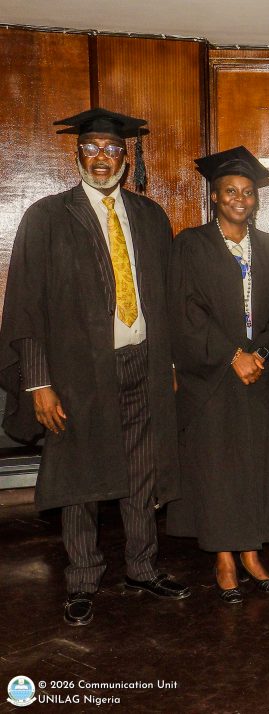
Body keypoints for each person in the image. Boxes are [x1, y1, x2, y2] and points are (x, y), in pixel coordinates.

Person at [0, 108, 189, 626]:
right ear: (78, 154)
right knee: (80, 478)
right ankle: (83, 579)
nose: (102, 158)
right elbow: (26, 306)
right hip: (75, 374)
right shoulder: (47, 217)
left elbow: (167, 299)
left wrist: (170, 361)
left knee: (142, 472)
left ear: (126, 158)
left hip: (143, 362)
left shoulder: (150, 217)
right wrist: (38, 382)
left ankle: (142, 567)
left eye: (112, 150)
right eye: (92, 149)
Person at [166, 147, 269, 604]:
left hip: (261, 375)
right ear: (215, 196)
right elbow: (184, 310)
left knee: (258, 465)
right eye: (230, 191)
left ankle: (252, 553)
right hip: (212, 378)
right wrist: (232, 355)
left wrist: (258, 355)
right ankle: (223, 558)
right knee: (218, 468)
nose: (240, 199)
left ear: (256, 199)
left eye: (248, 192)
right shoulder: (191, 244)